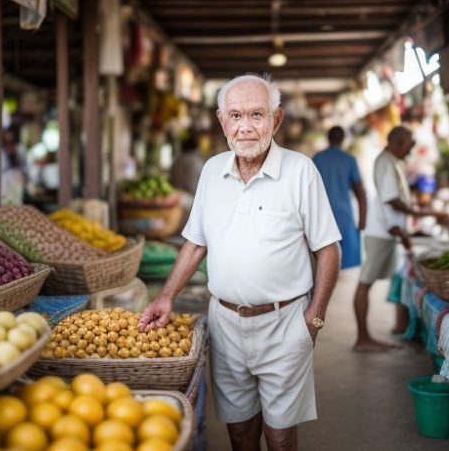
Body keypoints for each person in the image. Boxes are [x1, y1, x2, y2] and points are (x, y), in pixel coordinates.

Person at [139, 74, 341, 451]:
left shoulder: (300, 171)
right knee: (239, 429)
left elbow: (328, 249)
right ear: (221, 121)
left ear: (276, 119)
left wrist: (314, 319)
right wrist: (166, 296)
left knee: (280, 434)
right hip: (225, 323)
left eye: (256, 115)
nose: (245, 127)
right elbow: (195, 242)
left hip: (284, 324)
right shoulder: (212, 171)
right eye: (235, 116)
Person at [358, 126, 449, 351]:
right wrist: (429, 214)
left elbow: (394, 201)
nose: (410, 151)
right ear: (397, 142)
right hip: (382, 231)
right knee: (365, 283)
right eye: (408, 146)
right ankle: (362, 338)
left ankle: (382, 332)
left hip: (389, 231)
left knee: (374, 281)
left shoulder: (390, 161)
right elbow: (393, 201)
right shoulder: (386, 162)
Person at [313, 126, 367, 269]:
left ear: (328, 139)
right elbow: (360, 192)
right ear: (343, 139)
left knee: (323, 262)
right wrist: (362, 221)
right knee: (346, 267)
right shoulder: (349, 160)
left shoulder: (317, 159)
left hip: (322, 216)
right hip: (344, 217)